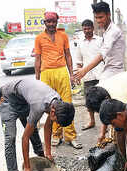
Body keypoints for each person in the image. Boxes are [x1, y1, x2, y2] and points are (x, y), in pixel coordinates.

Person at [0, 78, 75, 171]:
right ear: (53, 112)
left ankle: (43, 161)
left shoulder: (58, 102)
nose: (57, 124)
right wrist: (27, 167)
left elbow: (47, 127)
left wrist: (48, 153)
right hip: (8, 99)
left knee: (32, 129)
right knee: (10, 139)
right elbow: (25, 138)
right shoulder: (39, 106)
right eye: (57, 122)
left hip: (24, 100)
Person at [34, 11, 82, 149]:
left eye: (53, 21)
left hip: (61, 71)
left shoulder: (63, 36)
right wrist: (37, 80)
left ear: (57, 22)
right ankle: (56, 135)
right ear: (44, 22)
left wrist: (71, 74)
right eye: (48, 21)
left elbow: (68, 55)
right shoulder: (39, 38)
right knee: (52, 106)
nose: (51, 24)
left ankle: (71, 136)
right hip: (46, 73)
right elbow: (37, 59)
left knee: (67, 103)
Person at [73, 1, 125, 82]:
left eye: (101, 17)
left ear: (108, 15)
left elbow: (102, 55)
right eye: (96, 18)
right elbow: (79, 61)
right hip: (103, 73)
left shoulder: (113, 32)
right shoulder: (106, 32)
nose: (98, 20)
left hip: (114, 73)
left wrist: (84, 71)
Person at [75, 19, 103, 131]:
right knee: (89, 101)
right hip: (87, 77)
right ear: (83, 29)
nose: (87, 30)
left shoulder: (100, 41)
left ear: (93, 28)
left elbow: (104, 57)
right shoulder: (80, 43)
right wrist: (78, 75)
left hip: (101, 75)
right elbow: (79, 62)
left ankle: (107, 123)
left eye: (89, 28)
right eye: (84, 29)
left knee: (104, 99)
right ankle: (91, 121)